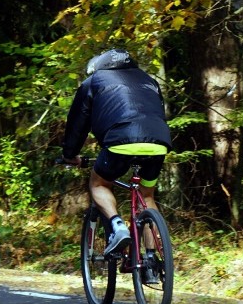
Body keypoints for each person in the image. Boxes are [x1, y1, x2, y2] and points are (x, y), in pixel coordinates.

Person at [61, 48, 171, 260]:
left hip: (120, 141)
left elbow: (78, 123)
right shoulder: (149, 80)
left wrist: (70, 154)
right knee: (147, 196)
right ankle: (150, 259)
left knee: (99, 184)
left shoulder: (94, 81)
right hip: (158, 142)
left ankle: (117, 225)